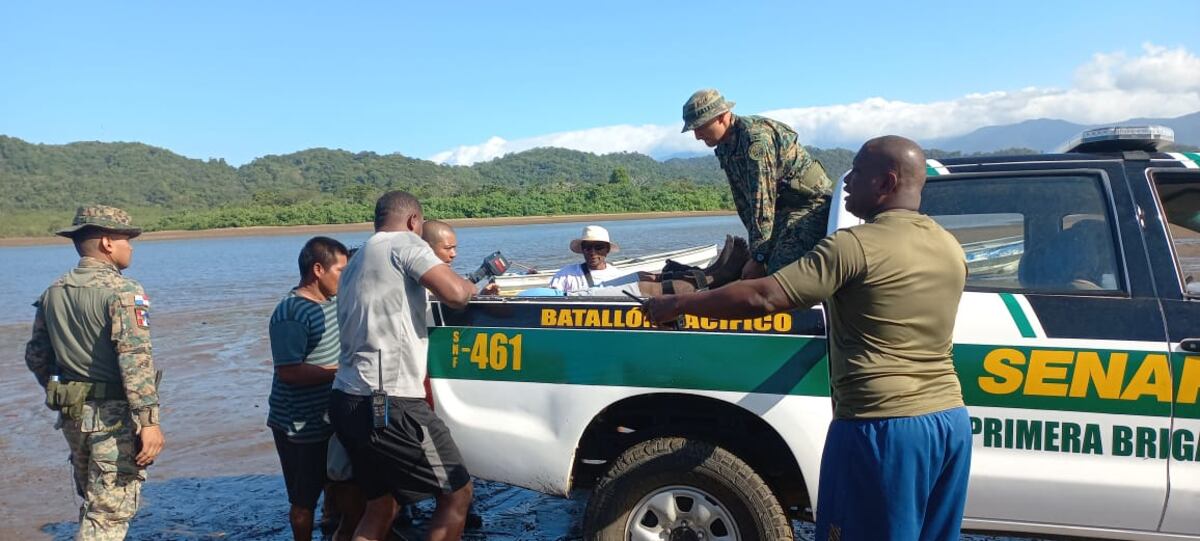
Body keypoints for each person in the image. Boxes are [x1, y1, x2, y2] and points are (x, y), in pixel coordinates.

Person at [644, 136, 972, 541]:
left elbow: (765, 296)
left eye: (857, 172)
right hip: (949, 422)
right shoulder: (949, 246)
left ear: (886, 182)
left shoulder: (855, 245)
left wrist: (678, 304)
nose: (846, 181)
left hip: (881, 426)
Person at [330, 191, 476, 541]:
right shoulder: (405, 243)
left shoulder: (357, 258)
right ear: (414, 221)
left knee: (381, 506)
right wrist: (472, 287)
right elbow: (456, 294)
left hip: (345, 398)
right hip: (390, 402)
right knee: (457, 494)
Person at [24, 205, 165, 540]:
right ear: (107, 243)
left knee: (93, 497)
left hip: (73, 414)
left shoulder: (54, 292)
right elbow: (134, 359)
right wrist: (149, 422)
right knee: (110, 511)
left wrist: (61, 388)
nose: (131, 247)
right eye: (126, 239)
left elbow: (36, 356)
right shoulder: (123, 292)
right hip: (112, 418)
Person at [682, 88, 833, 279]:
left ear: (722, 116)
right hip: (782, 210)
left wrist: (759, 258)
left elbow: (762, 200)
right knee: (750, 268)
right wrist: (757, 251)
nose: (697, 136)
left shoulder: (756, 139)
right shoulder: (725, 147)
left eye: (701, 127)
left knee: (777, 270)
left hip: (810, 205)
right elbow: (744, 202)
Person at [268, 236, 359, 541]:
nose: (345, 278)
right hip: (298, 424)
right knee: (303, 500)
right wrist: (341, 371)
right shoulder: (291, 313)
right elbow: (289, 372)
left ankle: (336, 530)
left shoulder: (333, 301)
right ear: (318, 270)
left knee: (342, 483)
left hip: (329, 414)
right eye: (341, 271)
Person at [548, 225, 628, 292]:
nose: (592, 252)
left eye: (598, 247)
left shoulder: (618, 277)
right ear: (583, 249)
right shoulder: (565, 275)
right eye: (588, 248)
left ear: (607, 250)